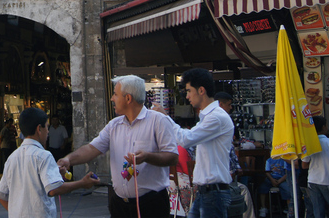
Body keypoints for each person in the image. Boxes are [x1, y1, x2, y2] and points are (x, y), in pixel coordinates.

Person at [58, 75, 178, 218]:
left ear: (128, 98)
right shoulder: (114, 125)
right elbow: (92, 148)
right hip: (119, 204)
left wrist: (147, 157)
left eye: (115, 94)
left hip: (151, 204)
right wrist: (68, 160)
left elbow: (172, 157)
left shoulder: (158, 121)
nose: (112, 99)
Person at [0, 107, 100, 218]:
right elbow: (53, 189)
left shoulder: (12, 158)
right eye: (46, 126)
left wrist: (16, 212)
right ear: (39, 129)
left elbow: (1, 195)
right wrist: (82, 183)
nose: (48, 131)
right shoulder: (44, 156)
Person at [164, 68, 234, 218]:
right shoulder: (209, 116)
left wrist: (165, 119)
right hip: (207, 192)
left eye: (189, 91)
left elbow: (185, 139)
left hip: (213, 193)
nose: (187, 96)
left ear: (201, 90)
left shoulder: (215, 117)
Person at [302, 116, 329, 218]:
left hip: (313, 181)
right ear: (323, 127)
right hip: (328, 180)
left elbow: (304, 165)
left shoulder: (308, 144)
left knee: (318, 212)